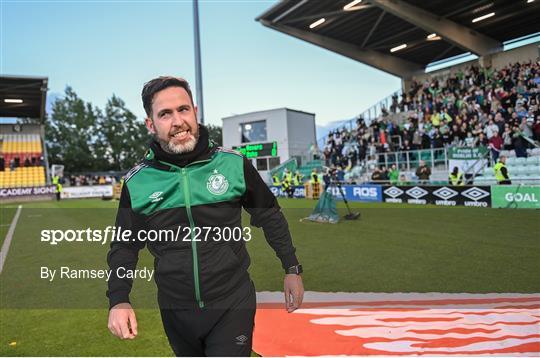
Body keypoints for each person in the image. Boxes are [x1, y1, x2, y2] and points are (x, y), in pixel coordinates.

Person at [106, 76, 304, 356]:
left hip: (232, 302)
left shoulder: (233, 164)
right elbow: (125, 246)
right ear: (151, 124)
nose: (178, 121)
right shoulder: (138, 182)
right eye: (165, 114)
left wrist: (291, 268)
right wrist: (118, 300)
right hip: (176, 310)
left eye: (183, 110)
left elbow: (270, 216)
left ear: (195, 112)